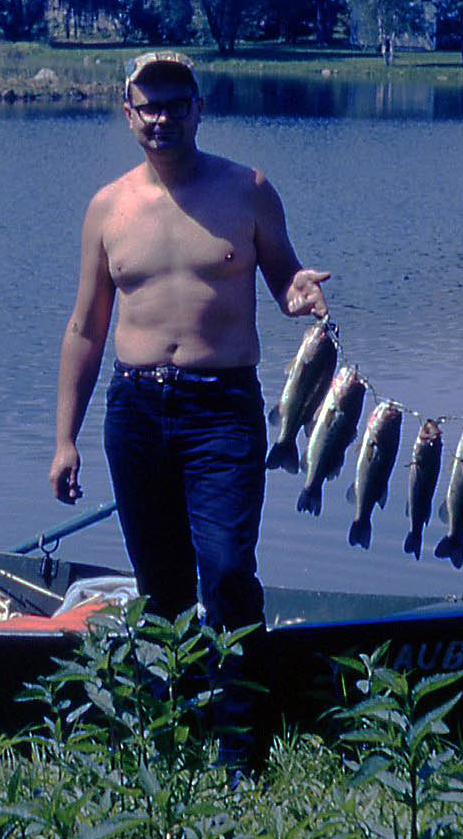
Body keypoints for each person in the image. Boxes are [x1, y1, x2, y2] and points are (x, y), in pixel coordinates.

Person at [49, 50, 330, 770]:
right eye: (149, 105)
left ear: (199, 109)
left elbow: (284, 278)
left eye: (176, 103)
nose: (162, 118)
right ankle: (172, 736)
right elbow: (84, 327)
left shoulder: (248, 190)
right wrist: (64, 439)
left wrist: (299, 292)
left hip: (222, 410)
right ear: (128, 114)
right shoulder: (107, 208)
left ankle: (240, 753)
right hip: (135, 409)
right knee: (161, 588)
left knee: (228, 572)